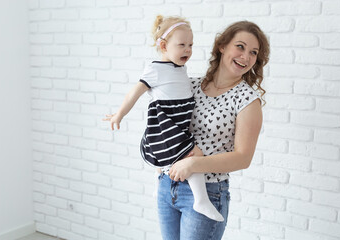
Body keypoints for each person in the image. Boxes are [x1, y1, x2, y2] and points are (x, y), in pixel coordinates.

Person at [103, 15, 224, 222]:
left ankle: (160, 185)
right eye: (182, 45)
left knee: (172, 156)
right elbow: (135, 92)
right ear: (163, 45)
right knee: (193, 153)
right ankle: (201, 199)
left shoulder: (179, 68)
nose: (188, 49)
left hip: (178, 121)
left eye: (191, 45)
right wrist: (119, 114)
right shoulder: (155, 69)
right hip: (166, 122)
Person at [157, 20, 270, 239]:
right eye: (240, 46)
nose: (246, 57)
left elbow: (242, 158)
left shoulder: (247, 100)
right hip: (167, 185)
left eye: (253, 52)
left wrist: (192, 164)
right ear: (222, 46)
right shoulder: (189, 85)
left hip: (207, 192)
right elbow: (165, 124)